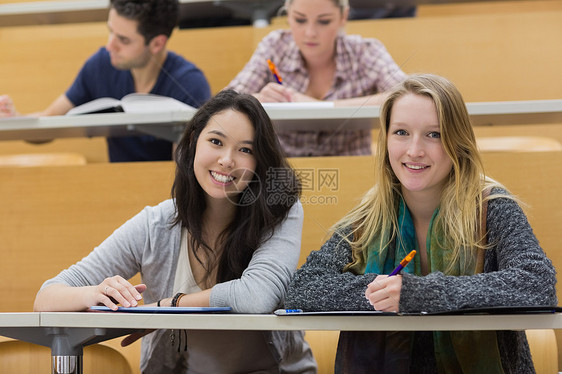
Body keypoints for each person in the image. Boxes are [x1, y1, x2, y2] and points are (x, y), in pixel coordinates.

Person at [285, 74, 557, 373]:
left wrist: (421, 293)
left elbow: (537, 282)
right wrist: (386, 293)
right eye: (401, 132)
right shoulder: (367, 217)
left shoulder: (492, 208)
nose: (414, 150)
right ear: (386, 139)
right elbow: (303, 287)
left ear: (458, 141)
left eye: (434, 135)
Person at [34, 90, 316, 373]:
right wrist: (94, 294)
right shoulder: (156, 223)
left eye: (245, 150)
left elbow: (255, 297)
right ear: (194, 141)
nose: (227, 160)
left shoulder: (280, 211)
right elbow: (46, 298)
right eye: (216, 142)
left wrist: (165, 307)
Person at [0, 0, 211, 162]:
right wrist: (16, 119)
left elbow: (184, 175)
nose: (110, 45)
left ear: (157, 44)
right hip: (116, 188)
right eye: (111, 31)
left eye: (123, 40)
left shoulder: (190, 83)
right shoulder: (100, 65)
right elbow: (49, 122)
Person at [226, 0, 407, 157]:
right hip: (280, 174)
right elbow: (224, 102)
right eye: (300, 20)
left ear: (343, 16)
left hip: (352, 170)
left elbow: (408, 95)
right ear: (288, 14)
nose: (310, 32)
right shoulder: (274, 47)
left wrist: (318, 106)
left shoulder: (365, 52)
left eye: (324, 21)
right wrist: (256, 100)